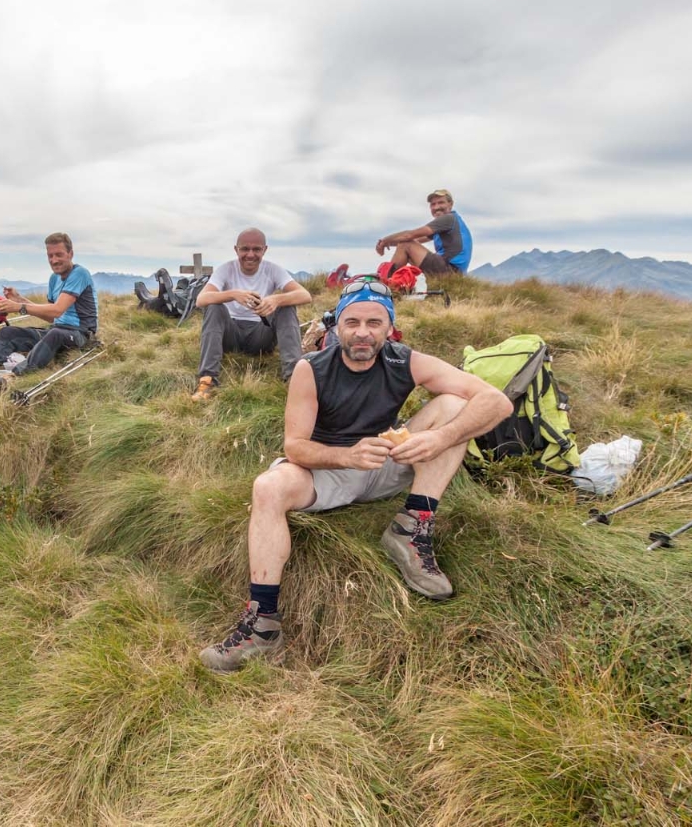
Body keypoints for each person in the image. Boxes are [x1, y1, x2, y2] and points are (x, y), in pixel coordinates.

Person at [198, 281, 511, 672]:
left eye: (375, 322)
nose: (363, 332)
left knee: (452, 406)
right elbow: (295, 447)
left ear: (389, 328)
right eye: (353, 321)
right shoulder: (310, 369)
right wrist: (347, 455)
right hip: (329, 473)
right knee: (268, 487)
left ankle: (412, 528)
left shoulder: (404, 360)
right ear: (337, 327)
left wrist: (439, 438)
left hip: (386, 462)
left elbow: (496, 401)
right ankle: (262, 625)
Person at [0, 233, 97, 385]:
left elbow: (57, 310)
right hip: (56, 329)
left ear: (71, 254)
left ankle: (14, 376)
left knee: (55, 334)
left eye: (59, 255)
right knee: (8, 332)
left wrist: (19, 307)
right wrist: (19, 299)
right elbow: (51, 317)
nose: (54, 260)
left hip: (80, 333)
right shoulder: (54, 278)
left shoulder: (79, 274)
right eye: (50, 256)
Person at [191, 228, 313, 401]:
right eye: (245, 249)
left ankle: (294, 379)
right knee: (214, 307)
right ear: (236, 250)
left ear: (265, 250)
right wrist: (233, 294)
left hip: (260, 336)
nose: (250, 254)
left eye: (256, 249)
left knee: (287, 307)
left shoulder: (273, 270)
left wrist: (275, 300)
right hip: (230, 335)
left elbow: (305, 295)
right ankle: (207, 381)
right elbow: (201, 299)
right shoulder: (226, 269)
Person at [375, 189, 473, 276]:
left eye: (441, 203)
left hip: (450, 271)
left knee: (406, 244)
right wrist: (388, 243)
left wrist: (385, 240)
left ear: (450, 204)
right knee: (406, 244)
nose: (436, 207)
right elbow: (416, 240)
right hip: (454, 272)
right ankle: (394, 282)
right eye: (433, 204)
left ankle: (387, 283)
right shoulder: (451, 223)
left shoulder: (448, 218)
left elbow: (408, 236)